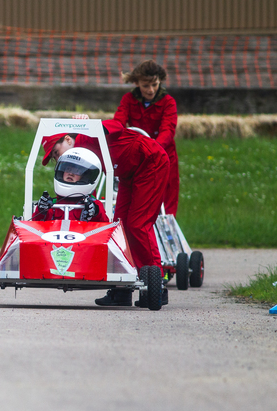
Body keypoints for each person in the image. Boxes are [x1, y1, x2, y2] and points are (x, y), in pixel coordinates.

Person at [41, 118, 169, 306]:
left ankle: (156, 287)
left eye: (56, 152)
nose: (58, 159)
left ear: (68, 140)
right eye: (54, 157)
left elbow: (117, 125)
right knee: (119, 228)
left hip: (151, 163)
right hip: (128, 174)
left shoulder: (88, 135)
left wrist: (92, 125)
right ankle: (122, 290)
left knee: (138, 224)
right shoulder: (79, 161)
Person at [113, 60, 180, 216]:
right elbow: (118, 123)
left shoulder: (168, 102)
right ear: (136, 83)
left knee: (166, 200)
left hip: (163, 156)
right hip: (138, 157)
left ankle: (165, 232)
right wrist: (110, 134)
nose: (151, 90)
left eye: (155, 85)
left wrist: (154, 148)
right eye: (145, 86)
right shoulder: (129, 100)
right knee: (137, 197)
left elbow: (168, 130)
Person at [32, 147, 109, 223]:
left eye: (77, 171)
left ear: (85, 176)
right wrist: (41, 211)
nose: (70, 173)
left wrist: (95, 213)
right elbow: (36, 225)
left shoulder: (94, 205)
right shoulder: (52, 204)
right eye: (68, 169)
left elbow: (105, 226)